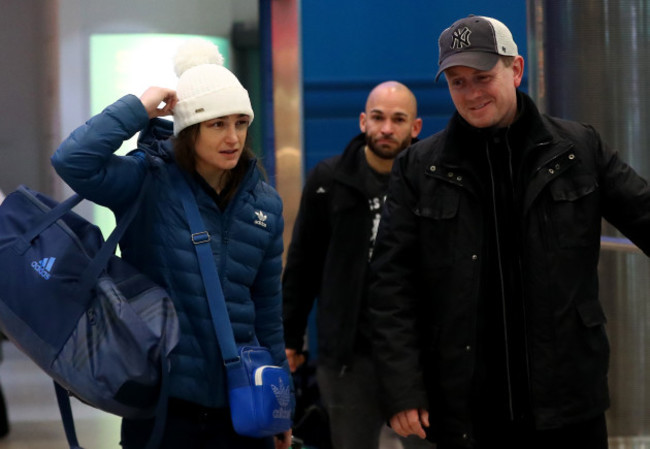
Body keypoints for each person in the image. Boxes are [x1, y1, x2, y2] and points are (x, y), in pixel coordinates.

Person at [368, 14, 650, 449]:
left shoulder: (578, 149)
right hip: (467, 410)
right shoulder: (418, 169)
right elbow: (390, 287)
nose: (471, 93)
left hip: (568, 402)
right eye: (457, 82)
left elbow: (644, 212)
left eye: (482, 77)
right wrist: (402, 388)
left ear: (515, 69)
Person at [52, 39, 292, 449]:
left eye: (240, 122)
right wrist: (138, 108)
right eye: (217, 124)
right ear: (189, 129)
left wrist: (279, 403)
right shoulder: (146, 181)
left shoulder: (264, 203)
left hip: (241, 408)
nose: (232, 137)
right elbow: (72, 159)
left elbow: (267, 310)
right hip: (164, 407)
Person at [282, 81, 429, 449]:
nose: (386, 129)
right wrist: (289, 338)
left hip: (417, 353)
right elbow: (302, 266)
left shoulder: (431, 183)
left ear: (415, 128)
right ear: (363, 121)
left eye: (398, 119)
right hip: (348, 356)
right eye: (378, 118)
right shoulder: (328, 182)